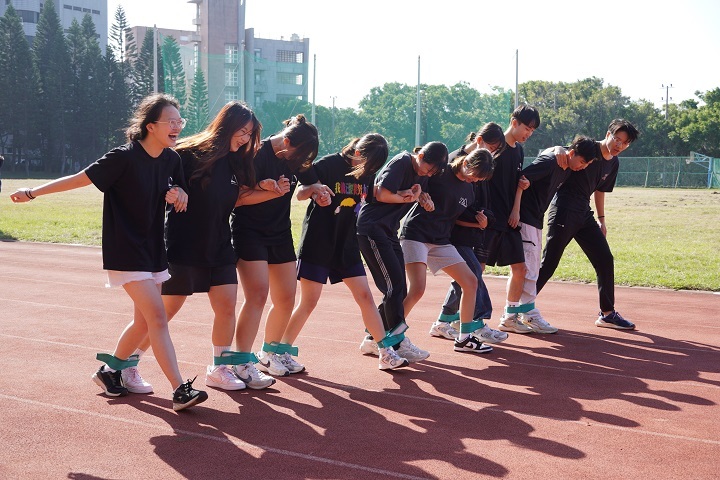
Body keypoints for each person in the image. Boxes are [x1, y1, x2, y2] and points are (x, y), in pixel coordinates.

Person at [10, 94, 207, 411]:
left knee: (144, 323)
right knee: (157, 316)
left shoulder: (172, 160)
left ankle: (109, 371)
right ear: (150, 126)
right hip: (125, 248)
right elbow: (79, 179)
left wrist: (178, 192)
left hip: (154, 248)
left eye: (179, 121)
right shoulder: (122, 158)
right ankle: (179, 389)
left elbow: (180, 189)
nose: (177, 126)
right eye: (171, 121)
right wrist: (32, 192)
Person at [127, 101, 276, 393]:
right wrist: (173, 191)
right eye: (242, 132)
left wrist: (266, 189)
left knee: (226, 306)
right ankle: (128, 364)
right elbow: (158, 183)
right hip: (183, 244)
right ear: (226, 126)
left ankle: (219, 368)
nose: (245, 138)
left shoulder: (237, 161)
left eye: (250, 134)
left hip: (220, 245)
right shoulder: (186, 154)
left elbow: (237, 198)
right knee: (162, 314)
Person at [279, 134, 409, 370]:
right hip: (318, 242)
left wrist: (405, 194)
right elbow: (300, 193)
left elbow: (374, 194)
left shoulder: (366, 173)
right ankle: (280, 351)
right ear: (358, 153)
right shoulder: (329, 164)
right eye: (368, 165)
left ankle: (384, 351)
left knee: (365, 297)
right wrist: (316, 190)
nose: (369, 170)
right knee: (308, 302)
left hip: (347, 244)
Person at [232, 114, 320, 378]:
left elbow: (308, 184)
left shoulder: (296, 156)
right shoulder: (254, 153)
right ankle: (240, 361)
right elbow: (236, 198)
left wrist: (319, 190)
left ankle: (269, 353)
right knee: (257, 295)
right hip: (250, 231)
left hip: (280, 233)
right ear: (287, 140)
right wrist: (268, 190)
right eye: (298, 155)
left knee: (286, 298)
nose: (298, 163)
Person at [537, 119, 640, 330]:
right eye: (617, 139)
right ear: (608, 133)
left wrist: (602, 220)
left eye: (625, 143)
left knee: (604, 258)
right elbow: (560, 152)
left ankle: (607, 314)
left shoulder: (614, 163)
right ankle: (519, 307)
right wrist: (557, 148)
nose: (619, 145)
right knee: (549, 263)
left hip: (584, 213)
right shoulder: (589, 147)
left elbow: (600, 190)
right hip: (564, 209)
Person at [356, 141, 448, 362]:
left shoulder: (423, 173)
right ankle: (396, 341)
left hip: (388, 231)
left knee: (397, 287)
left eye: (433, 171)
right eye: (428, 167)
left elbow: (418, 192)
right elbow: (380, 194)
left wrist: (424, 199)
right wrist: (407, 196)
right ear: (421, 154)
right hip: (372, 228)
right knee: (393, 287)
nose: (427, 172)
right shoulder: (402, 162)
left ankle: (372, 338)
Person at [401, 148, 497, 353]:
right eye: (475, 176)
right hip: (417, 234)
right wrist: (422, 196)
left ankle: (464, 338)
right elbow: (416, 185)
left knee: (471, 281)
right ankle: (388, 334)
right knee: (417, 289)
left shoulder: (469, 190)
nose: (476, 181)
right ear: (467, 164)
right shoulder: (440, 172)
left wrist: (480, 224)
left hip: (441, 240)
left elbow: (456, 216)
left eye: (480, 179)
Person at [433, 123, 509, 346]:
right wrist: (475, 219)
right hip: (452, 233)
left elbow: (478, 198)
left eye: (496, 151)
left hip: (471, 229)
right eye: (491, 147)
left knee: (465, 278)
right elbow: (452, 202)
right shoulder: (454, 162)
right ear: (479, 140)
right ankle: (476, 322)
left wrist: (486, 217)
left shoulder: (482, 166)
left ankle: (444, 320)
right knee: (472, 274)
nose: (492, 154)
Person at [515, 135, 600, 333]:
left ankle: (519, 313)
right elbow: (521, 178)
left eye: (587, 164)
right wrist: (516, 210)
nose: (583, 167)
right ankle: (519, 314)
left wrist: (557, 147)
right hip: (525, 217)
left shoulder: (567, 167)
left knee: (530, 268)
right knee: (528, 269)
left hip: (535, 218)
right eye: (582, 162)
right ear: (571, 153)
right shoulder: (553, 162)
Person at [482, 104, 539, 334]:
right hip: (489, 220)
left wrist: (516, 208)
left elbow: (517, 182)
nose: (529, 133)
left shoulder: (519, 151)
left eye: (533, 130)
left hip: (510, 219)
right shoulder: (495, 147)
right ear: (514, 122)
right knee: (476, 270)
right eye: (527, 127)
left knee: (520, 267)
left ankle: (510, 316)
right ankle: (450, 317)